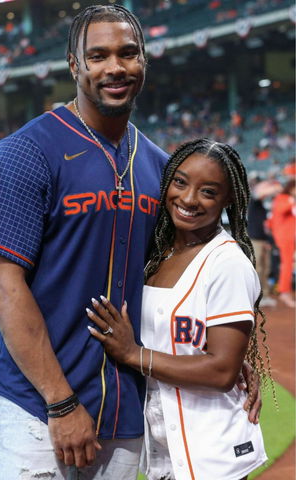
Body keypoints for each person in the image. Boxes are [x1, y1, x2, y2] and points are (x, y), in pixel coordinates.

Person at [0, 5, 261, 479]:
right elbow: (3, 286)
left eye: (128, 53)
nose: (115, 67)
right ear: (75, 65)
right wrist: (61, 401)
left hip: (124, 407)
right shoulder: (27, 151)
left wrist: (227, 355)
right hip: (36, 402)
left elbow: (174, 278)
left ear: (144, 62)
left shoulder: (158, 166)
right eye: (98, 55)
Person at [87, 139, 271, 480]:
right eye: (181, 182)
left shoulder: (227, 263)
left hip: (214, 454)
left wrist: (133, 355)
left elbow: (220, 372)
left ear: (228, 198)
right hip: (164, 448)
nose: (188, 199)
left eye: (208, 191)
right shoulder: (156, 253)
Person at [247, 175, 282, 307]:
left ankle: (265, 295)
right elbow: (259, 192)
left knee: (266, 269)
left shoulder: (261, 205)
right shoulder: (254, 201)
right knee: (257, 268)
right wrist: (273, 187)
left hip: (263, 240)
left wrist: (268, 240)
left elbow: (265, 226)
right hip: (255, 240)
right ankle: (255, 297)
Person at [267, 178, 296, 308]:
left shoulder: (286, 198)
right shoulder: (283, 198)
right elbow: (280, 211)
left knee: (288, 264)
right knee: (287, 265)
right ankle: (284, 292)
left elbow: (271, 220)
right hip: (285, 238)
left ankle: (285, 291)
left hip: (287, 236)